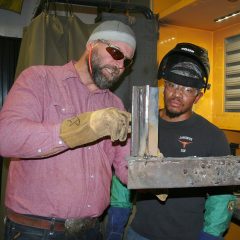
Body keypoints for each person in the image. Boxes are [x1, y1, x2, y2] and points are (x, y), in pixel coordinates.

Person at [0, 20, 136, 240]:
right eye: (115, 52)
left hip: (91, 230)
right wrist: (82, 127)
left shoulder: (115, 105)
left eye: (127, 61)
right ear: (91, 45)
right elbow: (6, 137)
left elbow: (124, 165)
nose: (120, 65)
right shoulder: (39, 79)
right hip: (36, 231)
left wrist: (158, 173)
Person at [126, 43, 237, 240]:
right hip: (139, 233)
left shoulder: (213, 136)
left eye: (187, 89)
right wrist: (116, 223)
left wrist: (211, 235)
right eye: (173, 85)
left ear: (198, 96)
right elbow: (124, 175)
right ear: (164, 87)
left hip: (187, 235)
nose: (177, 94)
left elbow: (221, 196)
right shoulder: (143, 126)